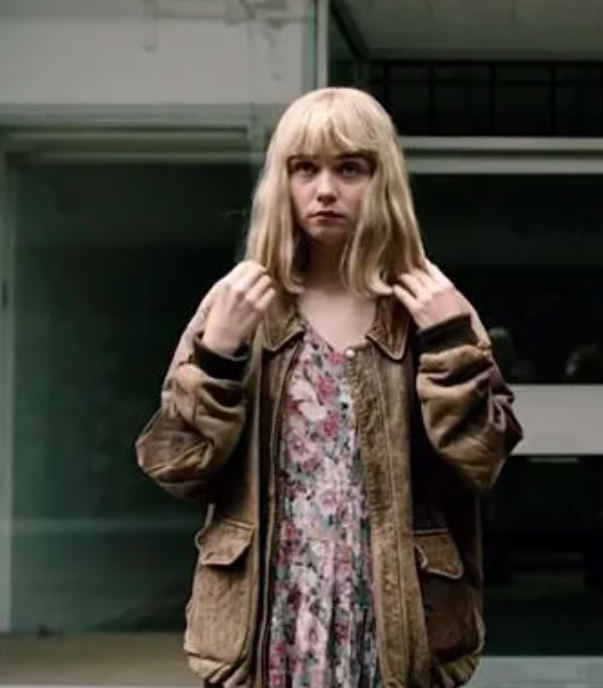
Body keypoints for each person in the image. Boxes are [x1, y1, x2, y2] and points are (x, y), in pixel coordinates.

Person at [135, 87, 523, 688]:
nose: (324, 189)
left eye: (349, 168)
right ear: (281, 182)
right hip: (269, 610)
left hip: (394, 610)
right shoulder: (239, 304)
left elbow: (482, 461)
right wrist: (217, 354)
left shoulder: (428, 304)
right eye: (304, 168)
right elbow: (179, 467)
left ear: (382, 180)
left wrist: (449, 340)